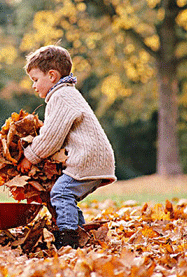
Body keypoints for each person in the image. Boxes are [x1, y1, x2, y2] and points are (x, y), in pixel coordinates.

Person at [18, 45, 117, 249]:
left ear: (52, 75)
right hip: (94, 158)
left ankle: (68, 241)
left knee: (61, 193)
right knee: (65, 195)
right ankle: (80, 234)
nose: (34, 86)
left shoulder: (60, 96)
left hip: (87, 158)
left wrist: (30, 156)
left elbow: (52, 136)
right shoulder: (68, 94)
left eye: (36, 80)